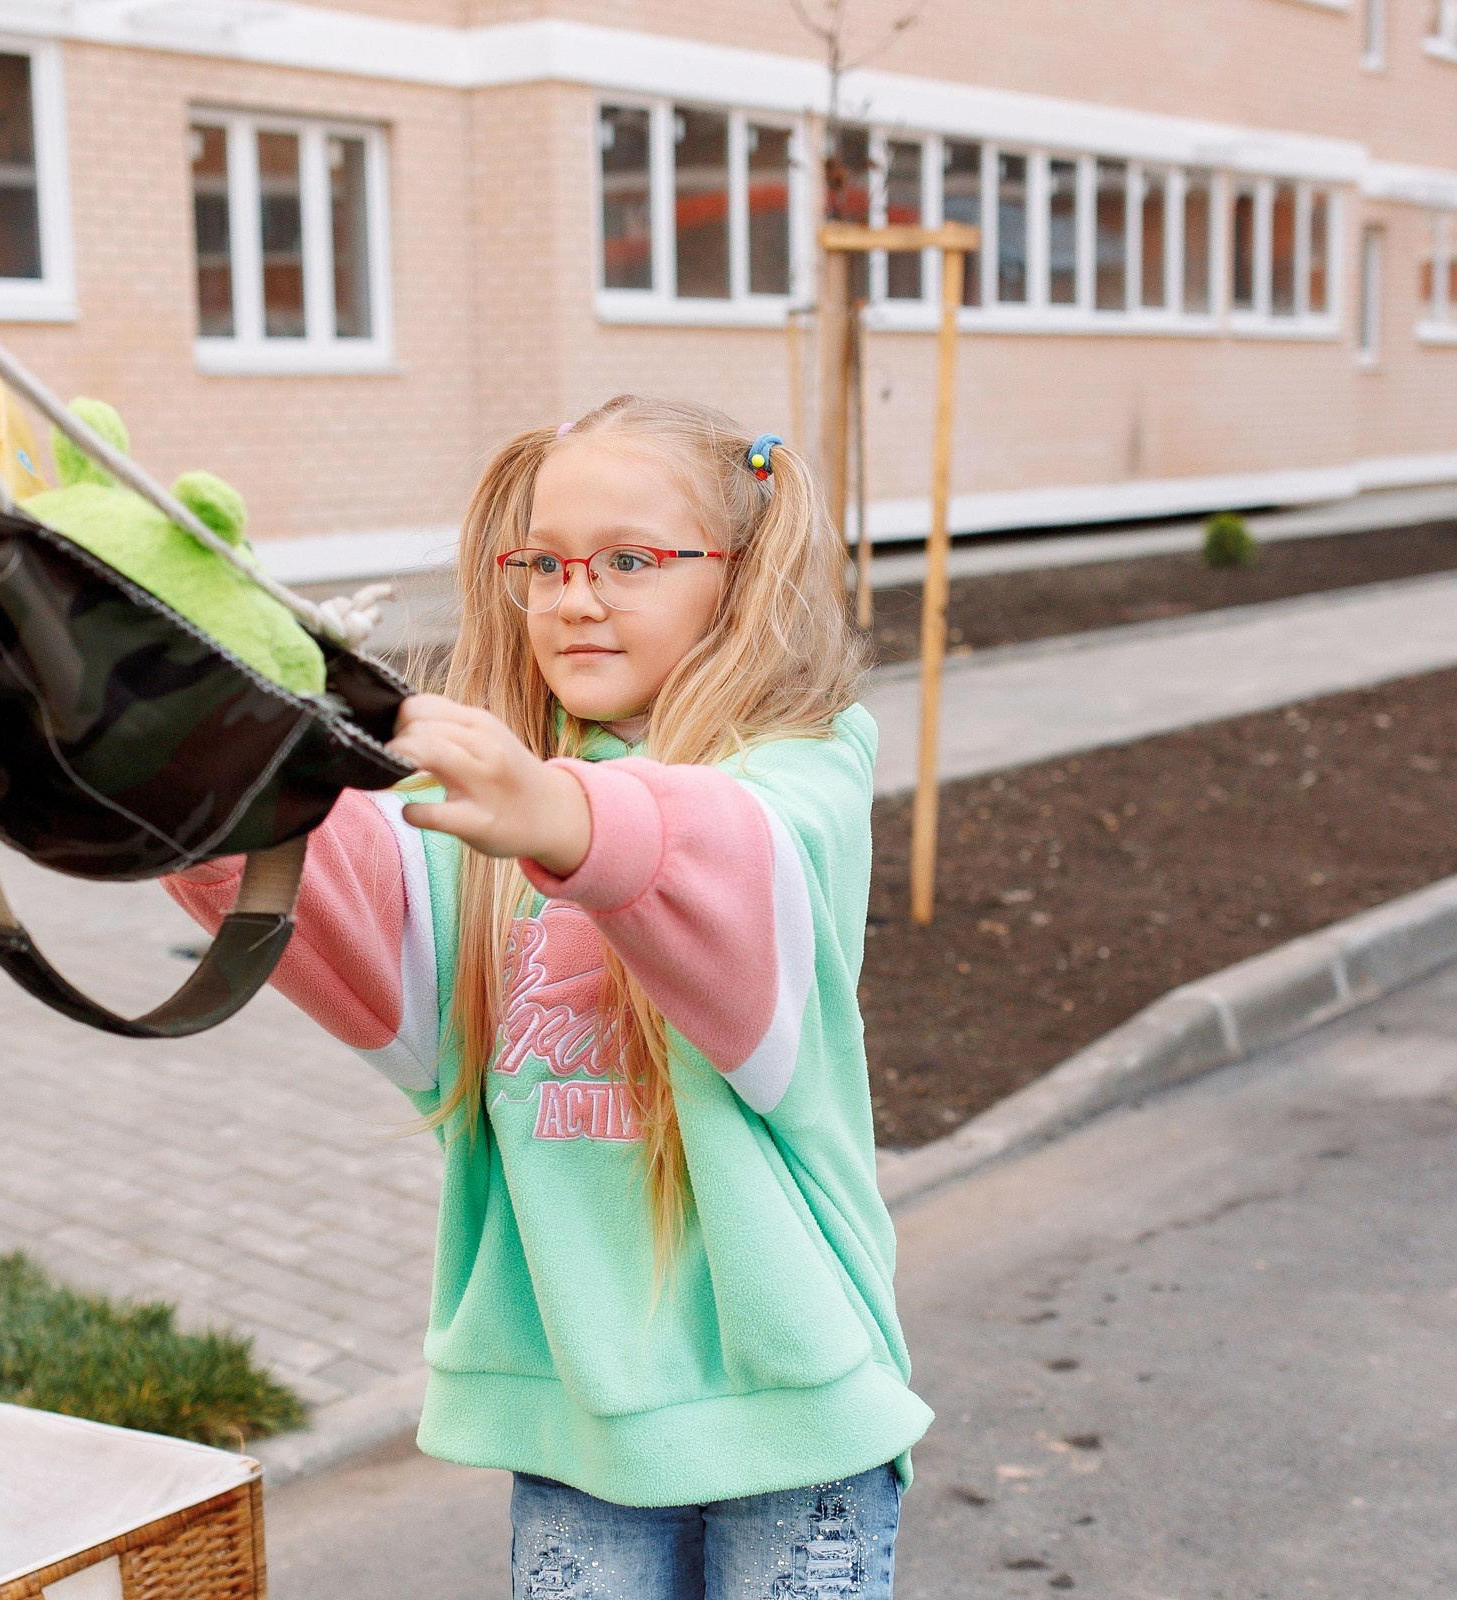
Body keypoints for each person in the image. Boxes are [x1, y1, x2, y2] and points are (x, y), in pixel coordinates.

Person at [166, 394, 929, 1599]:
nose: (576, 596)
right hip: (580, 1425)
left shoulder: (804, 769)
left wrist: (563, 816)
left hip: (797, 1427)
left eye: (629, 560)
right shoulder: (486, 818)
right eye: (545, 563)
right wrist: (168, 772)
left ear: (736, 577)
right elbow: (319, 881)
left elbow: (728, 851)